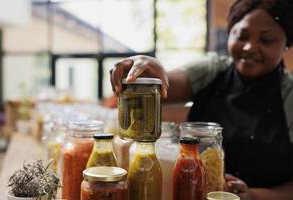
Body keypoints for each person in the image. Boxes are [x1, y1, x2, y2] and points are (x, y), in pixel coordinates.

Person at [109, 0, 293, 199]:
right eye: (241, 36)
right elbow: (163, 85)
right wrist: (148, 68)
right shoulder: (213, 69)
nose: (249, 47)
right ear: (229, 33)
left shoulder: (289, 94)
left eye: (266, 40)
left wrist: (252, 195)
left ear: (287, 44)